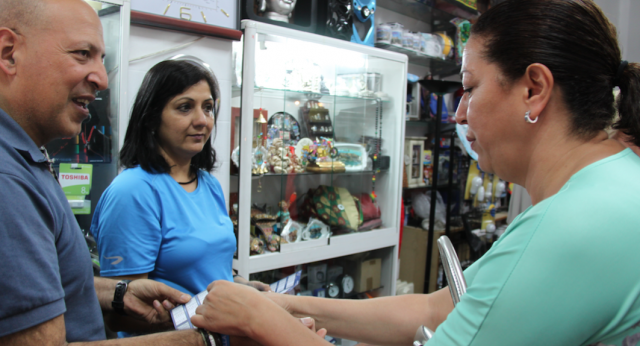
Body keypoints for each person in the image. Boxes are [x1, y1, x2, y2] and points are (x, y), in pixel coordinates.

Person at [190, 1, 640, 345]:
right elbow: (440, 310)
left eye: (469, 89)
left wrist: (261, 321)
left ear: (533, 89)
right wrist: (282, 304)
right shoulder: (609, 187)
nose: (459, 114)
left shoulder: (571, 227)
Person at [90, 59, 269, 324]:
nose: (202, 120)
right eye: (185, 108)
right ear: (151, 118)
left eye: (208, 108)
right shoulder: (133, 191)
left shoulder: (209, 184)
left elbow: (209, 273)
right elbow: (123, 314)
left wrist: (240, 286)